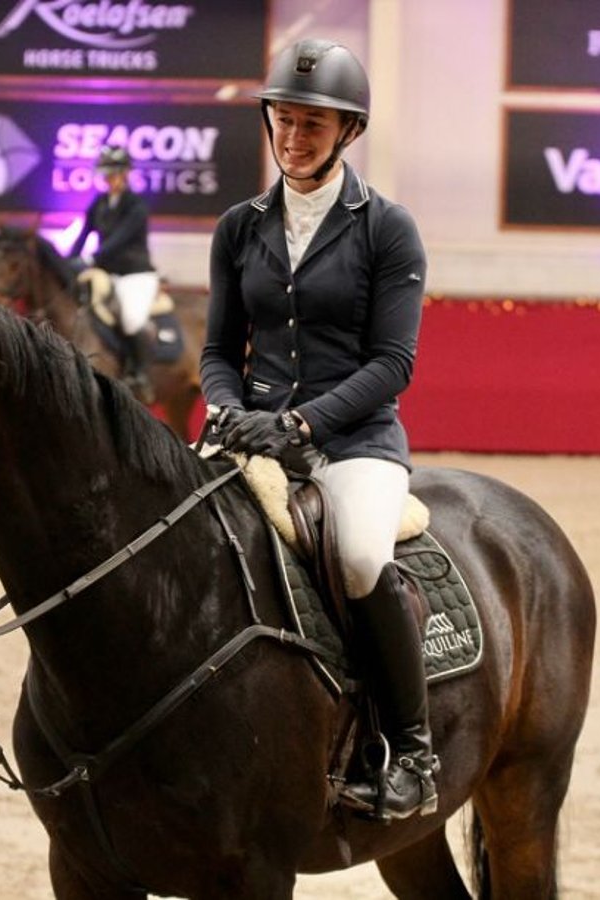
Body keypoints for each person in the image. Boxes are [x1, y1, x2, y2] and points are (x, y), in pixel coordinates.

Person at [199, 38, 437, 820]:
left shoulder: (387, 229)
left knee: (362, 557)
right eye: (284, 120)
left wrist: (300, 422)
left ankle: (413, 752)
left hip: (354, 441)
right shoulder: (239, 228)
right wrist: (229, 410)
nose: (294, 138)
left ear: (348, 132)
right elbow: (218, 351)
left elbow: (393, 363)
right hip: (252, 431)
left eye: (313, 124)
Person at [68, 144, 159, 400]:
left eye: (115, 173)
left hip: (135, 275)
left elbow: (119, 240)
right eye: (107, 174)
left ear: (126, 174)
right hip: (106, 274)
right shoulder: (99, 203)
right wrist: (68, 261)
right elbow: (83, 234)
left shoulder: (136, 206)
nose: (110, 179)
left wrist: (90, 258)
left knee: (131, 319)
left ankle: (140, 373)